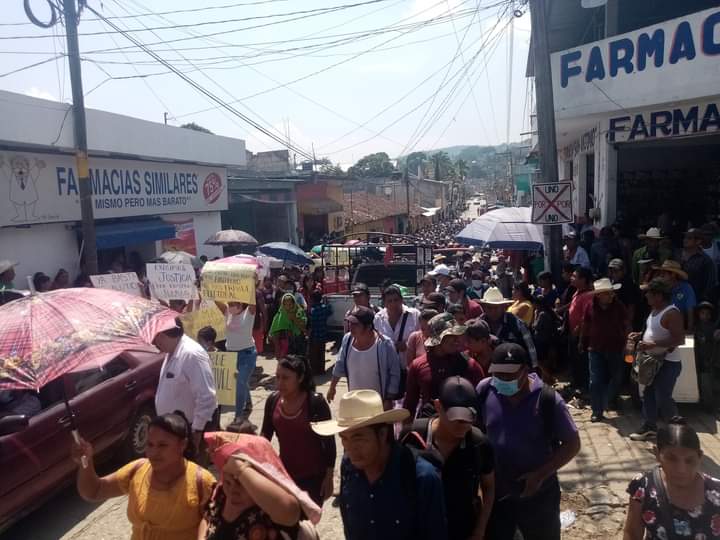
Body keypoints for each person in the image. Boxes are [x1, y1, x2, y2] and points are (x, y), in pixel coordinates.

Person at [311, 389, 448, 540]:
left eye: (358, 438)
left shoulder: (421, 477)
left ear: (382, 434)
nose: (350, 449)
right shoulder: (348, 466)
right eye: (344, 439)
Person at [476, 344, 581, 540]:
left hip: (539, 493)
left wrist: (539, 475)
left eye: (509, 375)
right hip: (498, 492)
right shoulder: (485, 391)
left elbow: (572, 444)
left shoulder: (548, 400)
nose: (502, 380)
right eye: (498, 374)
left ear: (525, 371)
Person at [72, 412, 215, 540]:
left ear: (182, 445)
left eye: (162, 445)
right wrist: (85, 462)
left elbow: (214, 524)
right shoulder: (137, 470)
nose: (153, 452)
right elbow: (94, 491)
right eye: (150, 444)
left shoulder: (202, 481)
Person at [402, 377, 495, 540]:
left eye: (467, 418)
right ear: (438, 406)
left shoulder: (478, 443)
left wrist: (480, 530)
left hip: (463, 530)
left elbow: (489, 487)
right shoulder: (412, 437)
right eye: (455, 417)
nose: (462, 424)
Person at [201, 433, 321, 540]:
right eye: (228, 482)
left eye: (241, 483)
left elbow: (290, 512)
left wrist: (239, 467)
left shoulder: (268, 510)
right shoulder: (219, 497)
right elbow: (205, 525)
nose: (233, 490)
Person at [623, 418, 720, 540]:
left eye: (689, 460)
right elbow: (632, 533)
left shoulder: (716, 492)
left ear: (700, 456)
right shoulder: (643, 487)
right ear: (657, 454)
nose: (681, 469)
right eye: (671, 459)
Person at [260, 355, 336, 506]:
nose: (280, 383)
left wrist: (329, 476)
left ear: (300, 378)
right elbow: (264, 438)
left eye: (286, 378)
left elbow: (329, 442)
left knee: (306, 524)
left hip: (313, 478)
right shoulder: (272, 401)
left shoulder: (315, 403)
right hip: (285, 476)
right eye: (278, 377)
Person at [629, 278, 686, 441]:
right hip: (652, 361)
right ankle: (650, 427)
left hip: (668, 363)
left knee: (663, 397)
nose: (646, 295)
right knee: (648, 393)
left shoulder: (672, 313)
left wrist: (651, 344)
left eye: (649, 293)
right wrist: (640, 335)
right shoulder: (654, 310)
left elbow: (679, 339)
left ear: (659, 295)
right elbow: (655, 330)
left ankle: (678, 433)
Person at [153, 320, 218, 451]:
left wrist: (196, 431)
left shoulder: (191, 354)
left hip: (190, 430)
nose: (153, 343)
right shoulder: (171, 352)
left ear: (162, 335)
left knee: (191, 470)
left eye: (155, 339)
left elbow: (206, 396)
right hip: (174, 428)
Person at [403, 314, 484, 418]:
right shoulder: (417, 366)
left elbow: (481, 402)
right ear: (437, 339)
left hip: (461, 426)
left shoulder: (470, 365)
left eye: (457, 335)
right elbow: (410, 403)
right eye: (450, 336)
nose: (456, 340)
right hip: (429, 426)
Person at [327, 306, 401, 409]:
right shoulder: (347, 339)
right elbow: (340, 364)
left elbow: (394, 373)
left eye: (355, 324)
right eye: (350, 323)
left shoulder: (385, 344)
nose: (350, 327)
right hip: (355, 403)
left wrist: (389, 399)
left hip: (378, 404)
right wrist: (332, 387)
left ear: (369, 326)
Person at [580, 278, 628, 422]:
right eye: (607, 293)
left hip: (615, 347)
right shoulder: (590, 306)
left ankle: (607, 399)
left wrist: (627, 342)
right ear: (599, 295)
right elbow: (585, 324)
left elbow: (626, 324)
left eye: (610, 293)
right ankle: (597, 410)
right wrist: (581, 341)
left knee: (617, 377)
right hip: (595, 348)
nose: (610, 295)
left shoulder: (618, 306)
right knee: (595, 381)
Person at [215, 300, 257, 428]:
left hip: (247, 354)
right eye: (230, 303)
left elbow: (252, 302)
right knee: (242, 382)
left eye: (235, 304)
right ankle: (248, 402)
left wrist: (250, 284)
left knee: (239, 383)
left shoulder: (248, 314)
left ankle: (238, 416)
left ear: (241, 304)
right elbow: (214, 297)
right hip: (231, 355)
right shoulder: (227, 312)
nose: (232, 306)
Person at [478, 287, 538, 368]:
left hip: (513, 369)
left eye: (496, 308)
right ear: (484, 307)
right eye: (489, 307)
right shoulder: (478, 324)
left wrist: (534, 367)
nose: (493, 311)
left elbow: (530, 347)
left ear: (503, 307)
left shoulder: (516, 323)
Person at [374, 285, 420, 370]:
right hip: (387, 370)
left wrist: (408, 345)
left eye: (396, 300)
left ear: (402, 300)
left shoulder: (415, 315)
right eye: (389, 301)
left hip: (409, 369)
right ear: (384, 303)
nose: (393, 304)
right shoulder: (378, 318)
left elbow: (423, 338)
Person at [567, 267, 595, 396]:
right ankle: (576, 384)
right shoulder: (577, 292)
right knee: (574, 360)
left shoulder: (588, 295)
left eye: (575, 276)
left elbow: (586, 317)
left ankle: (584, 388)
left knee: (582, 362)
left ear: (583, 280)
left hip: (583, 335)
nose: (572, 278)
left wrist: (580, 335)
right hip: (574, 333)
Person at [654, 259, 697, 331]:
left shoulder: (686, 288)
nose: (661, 275)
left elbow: (690, 312)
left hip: (680, 326)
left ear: (673, 275)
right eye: (661, 273)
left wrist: (689, 331)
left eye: (664, 273)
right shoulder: (659, 288)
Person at [608, 258, 643, 331]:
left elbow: (631, 305)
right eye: (612, 271)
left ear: (623, 271)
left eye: (616, 271)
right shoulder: (613, 282)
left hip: (627, 320)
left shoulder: (628, 284)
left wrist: (628, 323)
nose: (613, 274)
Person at [683, 228, 717, 302]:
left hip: (696, 300)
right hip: (679, 299)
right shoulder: (678, 255)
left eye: (689, 238)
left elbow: (709, 285)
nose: (685, 240)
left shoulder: (706, 260)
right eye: (685, 237)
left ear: (698, 241)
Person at [269, 293, 307, 359]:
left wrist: (294, 318)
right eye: (285, 304)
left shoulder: (299, 312)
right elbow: (274, 330)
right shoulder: (280, 314)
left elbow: (303, 327)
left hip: (299, 340)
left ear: (294, 303)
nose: (288, 306)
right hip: (286, 344)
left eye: (290, 304)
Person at [308, 290, 332, 375]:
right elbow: (330, 311)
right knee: (321, 354)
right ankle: (321, 370)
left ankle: (314, 371)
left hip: (315, 335)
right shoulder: (324, 308)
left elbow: (311, 324)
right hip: (323, 334)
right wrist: (326, 302)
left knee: (314, 355)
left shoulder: (313, 310)